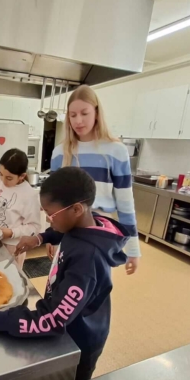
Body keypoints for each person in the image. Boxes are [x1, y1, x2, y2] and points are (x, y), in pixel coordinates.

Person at [0, 167, 129, 380]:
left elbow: (53, 319)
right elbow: (64, 230)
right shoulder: (85, 222)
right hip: (66, 320)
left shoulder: (88, 260)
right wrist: (40, 238)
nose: (48, 220)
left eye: (51, 215)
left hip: (76, 342)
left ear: (76, 209)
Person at [50, 85, 140, 274]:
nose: (78, 120)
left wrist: (133, 249)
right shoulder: (60, 153)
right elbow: (55, 203)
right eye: (72, 115)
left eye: (84, 113)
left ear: (97, 113)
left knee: (94, 290)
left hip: (100, 233)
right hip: (69, 231)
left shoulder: (116, 151)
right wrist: (53, 236)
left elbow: (125, 202)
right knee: (62, 288)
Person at [0, 148, 41, 268]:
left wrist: (12, 233)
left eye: (9, 178)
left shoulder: (28, 194)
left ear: (22, 176)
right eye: (1, 174)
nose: (3, 180)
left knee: (11, 280)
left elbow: (34, 226)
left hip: (14, 246)